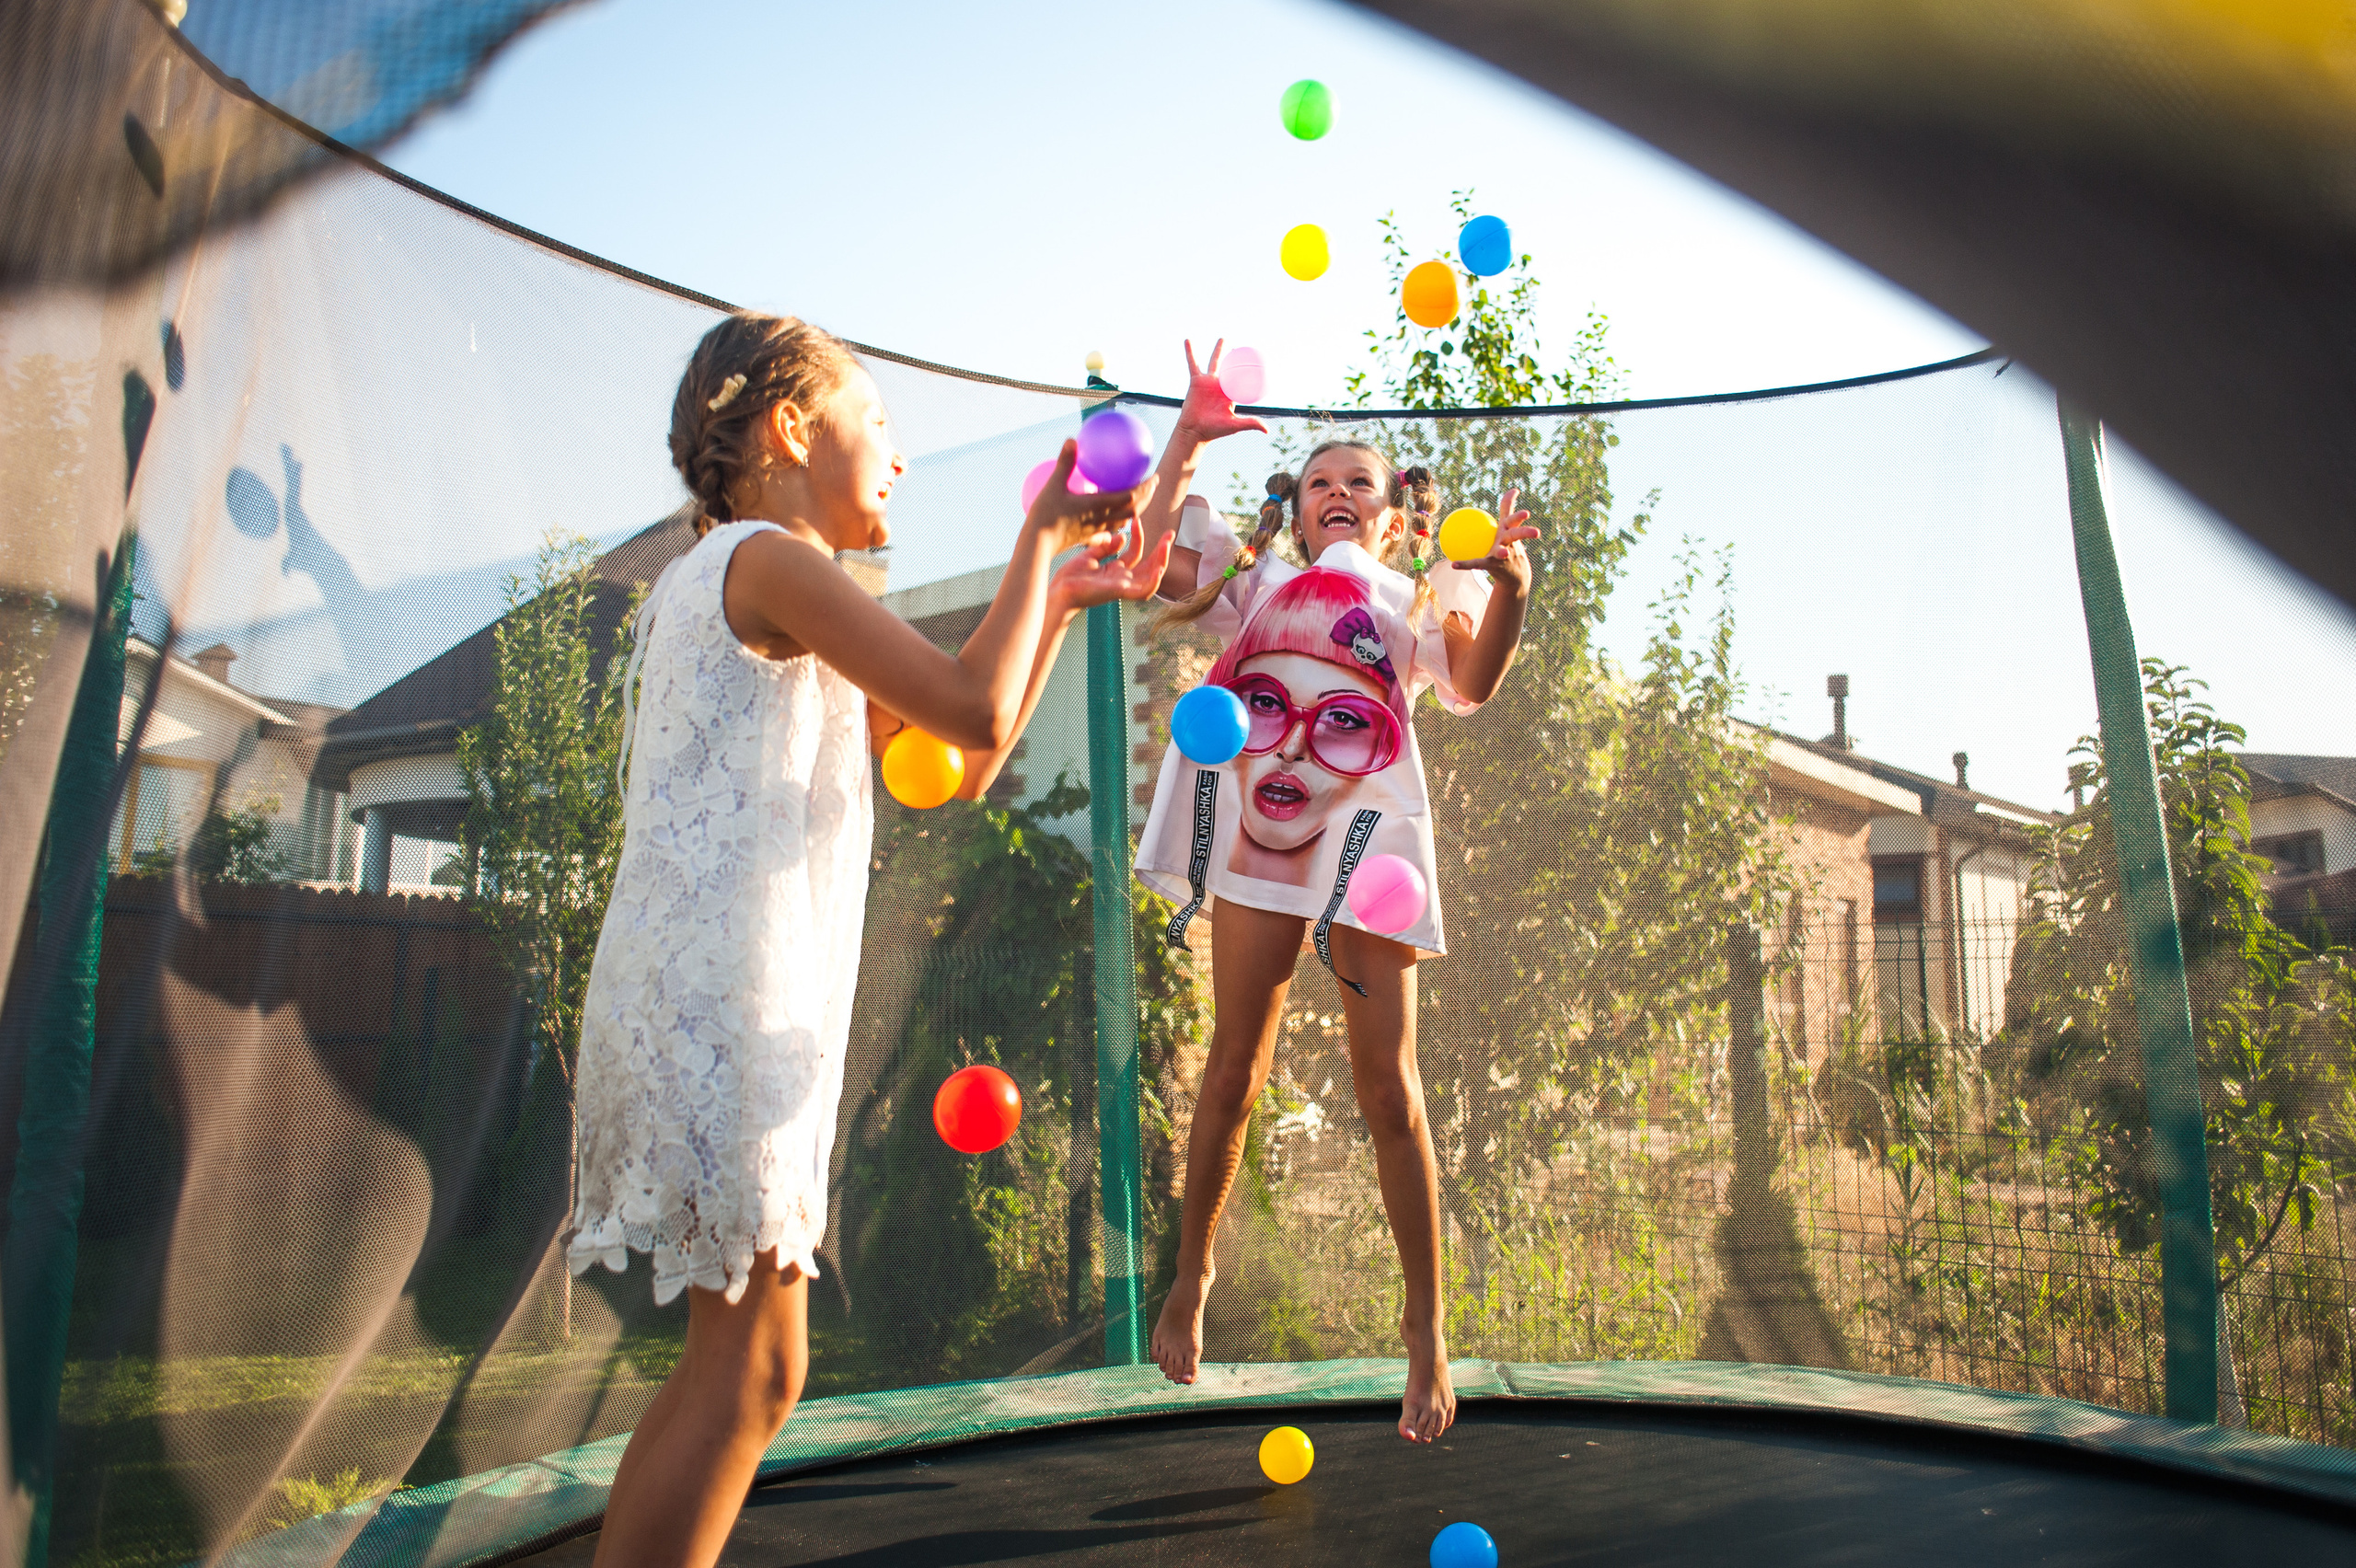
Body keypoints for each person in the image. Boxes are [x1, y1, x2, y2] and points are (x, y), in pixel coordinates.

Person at [568, 311, 1171, 1567]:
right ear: (790, 430)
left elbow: (950, 756)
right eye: (876, 422)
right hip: (718, 1004)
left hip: (703, 999)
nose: (896, 457)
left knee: (752, 1367)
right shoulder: (772, 563)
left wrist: (1054, 594)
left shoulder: (763, 583)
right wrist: (1037, 535)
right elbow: (962, 700)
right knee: (748, 1376)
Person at [1131, 340, 1537, 1445]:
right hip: (1265, 836)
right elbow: (1150, 556)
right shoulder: (1252, 585)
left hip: (1364, 841)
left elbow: (1475, 680)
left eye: (1362, 482)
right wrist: (1185, 437)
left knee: (1386, 1088)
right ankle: (1193, 1277)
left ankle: (1425, 1334)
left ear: (1392, 519)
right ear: (1297, 515)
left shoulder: (1413, 602)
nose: (1342, 495)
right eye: (1321, 484)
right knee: (1232, 1069)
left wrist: (1505, 587)